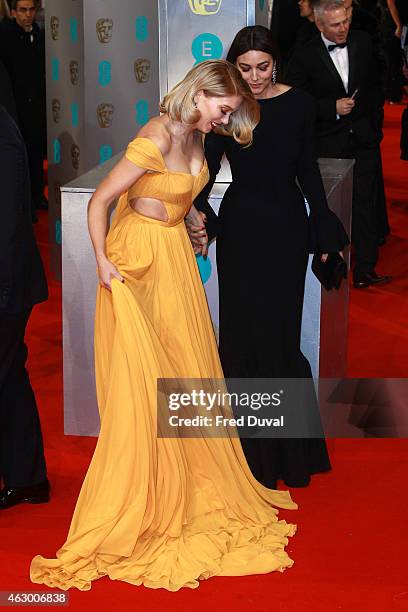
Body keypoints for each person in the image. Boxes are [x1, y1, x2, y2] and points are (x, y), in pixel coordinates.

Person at [30, 60, 297, 592]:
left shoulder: (198, 134)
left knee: (185, 372)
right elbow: (104, 200)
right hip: (137, 263)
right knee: (145, 382)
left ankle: (186, 482)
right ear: (201, 94)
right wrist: (102, 262)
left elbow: (173, 191)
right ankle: (144, 497)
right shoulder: (154, 134)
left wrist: (192, 218)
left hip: (174, 254)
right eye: (222, 110)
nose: (223, 121)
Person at [191, 26, 349, 489]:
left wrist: (322, 226)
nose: (254, 78)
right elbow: (206, 164)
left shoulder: (299, 104)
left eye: (262, 67)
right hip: (240, 231)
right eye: (244, 68)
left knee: (280, 338)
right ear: (232, 67)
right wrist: (195, 210)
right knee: (240, 338)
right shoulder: (228, 106)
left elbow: (307, 171)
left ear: (274, 63)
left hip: (285, 230)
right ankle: (246, 459)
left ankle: (286, 458)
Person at [286, 0, 392, 288]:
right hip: (327, 142)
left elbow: (375, 84)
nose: (343, 28)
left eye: (345, 21)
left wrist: (368, 116)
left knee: (365, 203)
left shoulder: (363, 42)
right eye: (335, 24)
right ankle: (330, 266)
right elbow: (298, 100)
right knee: (330, 206)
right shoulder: (305, 55)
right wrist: (330, 107)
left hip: (363, 138)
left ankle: (365, 269)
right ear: (320, 25)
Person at [0, 104, 49, 510]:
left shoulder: (2, 134)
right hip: (10, 282)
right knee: (10, 374)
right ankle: (27, 478)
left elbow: (7, 221)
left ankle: (27, 477)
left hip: (6, 283)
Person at [0, 0, 47, 222]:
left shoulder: (38, 33)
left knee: (36, 153)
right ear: (14, 11)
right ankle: (24, 207)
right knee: (20, 158)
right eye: (23, 10)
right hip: (13, 108)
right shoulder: (4, 35)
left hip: (36, 108)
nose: (27, 15)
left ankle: (38, 197)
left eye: (31, 10)